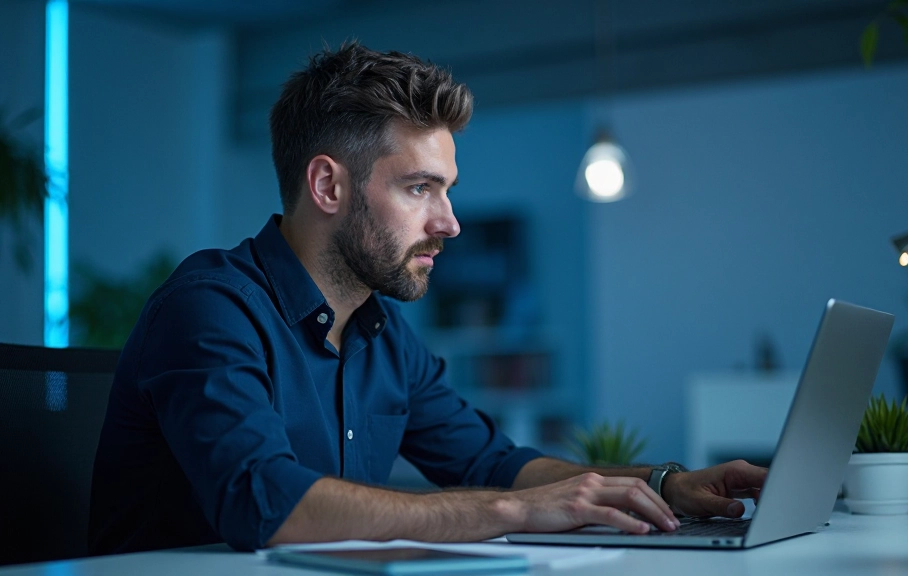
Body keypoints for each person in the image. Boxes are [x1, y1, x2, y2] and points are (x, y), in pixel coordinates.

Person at [88, 42, 767, 555]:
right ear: (329, 187)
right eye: (420, 188)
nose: (450, 223)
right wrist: (512, 514)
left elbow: (495, 465)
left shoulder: (380, 333)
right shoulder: (210, 309)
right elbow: (268, 506)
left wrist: (666, 483)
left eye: (447, 189)